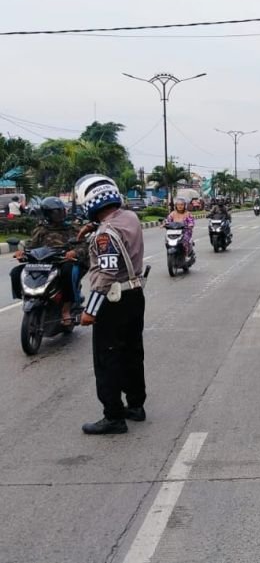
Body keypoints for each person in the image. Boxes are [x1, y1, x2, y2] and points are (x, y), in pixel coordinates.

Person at [75, 174, 148, 435]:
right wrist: (93, 228)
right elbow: (119, 238)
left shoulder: (104, 235)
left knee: (107, 358)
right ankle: (136, 405)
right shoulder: (130, 218)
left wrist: (89, 311)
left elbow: (105, 275)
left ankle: (113, 416)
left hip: (113, 301)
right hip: (135, 295)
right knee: (132, 351)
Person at [10, 197, 87, 325]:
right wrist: (22, 252)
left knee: (67, 271)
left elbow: (84, 245)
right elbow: (31, 245)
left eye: (61, 211)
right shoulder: (41, 229)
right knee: (16, 272)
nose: (60, 215)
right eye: (56, 212)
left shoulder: (73, 228)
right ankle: (28, 298)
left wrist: (74, 252)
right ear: (47, 214)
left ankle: (66, 309)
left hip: (66, 261)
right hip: (44, 263)